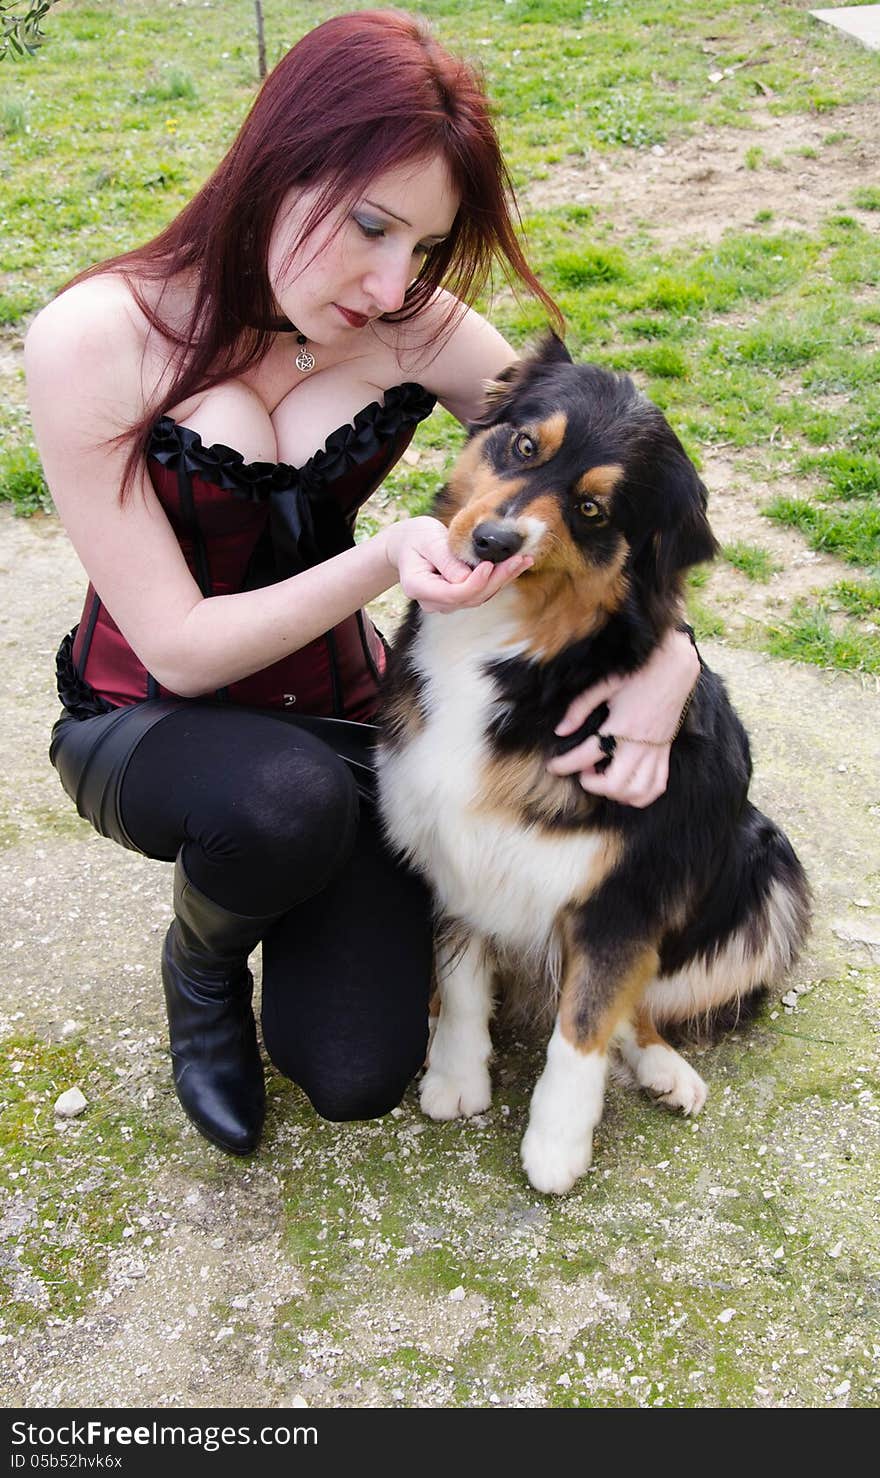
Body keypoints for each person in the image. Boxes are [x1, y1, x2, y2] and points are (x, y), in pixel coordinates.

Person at [25, 10, 700, 1156]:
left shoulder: (416, 327)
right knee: (275, 801)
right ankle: (201, 962)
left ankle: (290, 893)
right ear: (278, 160)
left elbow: (610, 464)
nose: (392, 286)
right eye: (371, 225)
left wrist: (669, 661)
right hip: (148, 718)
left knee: (354, 1069)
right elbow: (178, 644)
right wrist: (382, 557)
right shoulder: (98, 338)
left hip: (341, 732)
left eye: (423, 250)